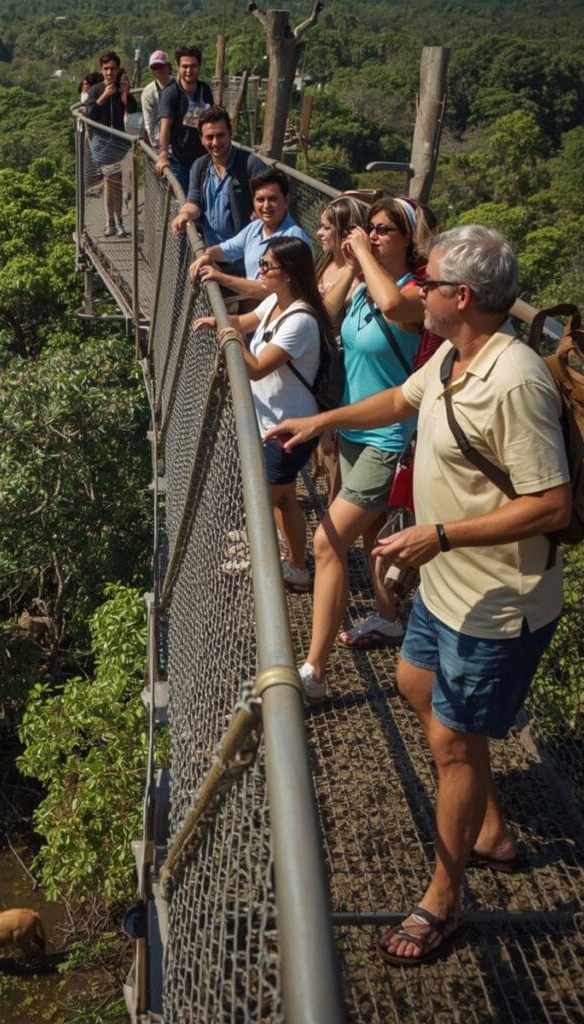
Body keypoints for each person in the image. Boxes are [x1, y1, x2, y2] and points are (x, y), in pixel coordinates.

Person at [265, 224, 571, 967]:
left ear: (459, 297)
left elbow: (553, 504)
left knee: (454, 744)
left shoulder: (516, 378)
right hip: (448, 585)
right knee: (413, 680)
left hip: (496, 597)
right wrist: (322, 420)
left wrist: (437, 537)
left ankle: (445, 898)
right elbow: (399, 401)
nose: (418, 292)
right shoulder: (450, 358)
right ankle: (490, 829)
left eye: (428, 283)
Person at [279, 197, 428, 700]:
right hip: (354, 431)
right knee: (366, 540)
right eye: (372, 228)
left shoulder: (417, 293)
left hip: (389, 439)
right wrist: (353, 264)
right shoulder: (364, 281)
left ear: (410, 239)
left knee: (328, 542)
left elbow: (392, 308)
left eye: (386, 230)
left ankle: (315, 672)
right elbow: (329, 311)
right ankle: (389, 618)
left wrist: (363, 255)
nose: (375, 235)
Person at [193, 237, 334, 589]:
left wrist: (232, 340)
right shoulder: (275, 300)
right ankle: (298, 568)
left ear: (288, 274)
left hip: (289, 427)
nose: (261, 271)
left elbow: (256, 368)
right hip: (269, 421)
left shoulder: (300, 320)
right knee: (284, 499)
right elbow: (248, 320)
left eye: (267, 266)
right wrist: (220, 322)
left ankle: (262, 558)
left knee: (260, 500)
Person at [188, 168, 313, 307]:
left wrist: (220, 278)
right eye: (260, 200)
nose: (266, 206)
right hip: (255, 312)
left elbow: (268, 290)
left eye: (272, 199)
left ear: (286, 201)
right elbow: (226, 249)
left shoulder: (294, 239)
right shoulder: (255, 227)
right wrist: (208, 255)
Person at [313, 194, 368, 500]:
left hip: (341, 373)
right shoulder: (324, 264)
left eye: (326, 228)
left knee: (333, 448)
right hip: (321, 365)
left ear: (344, 232)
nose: (319, 233)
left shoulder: (358, 277)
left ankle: (333, 515)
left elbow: (327, 316)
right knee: (323, 445)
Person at [171, 106, 266, 250]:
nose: (215, 143)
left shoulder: (250, 165)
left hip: (245, 255)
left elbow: (273, 199)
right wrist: (185, 214)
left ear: (230, 134)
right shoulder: (200, 166)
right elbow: (194, 202)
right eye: (209, 137)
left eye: (221, 135)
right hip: (213, 254)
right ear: (201, 139)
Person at [85, 50, 138, 238]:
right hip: (102, 141)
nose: (109, 73)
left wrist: (126, 94)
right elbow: (90, 114)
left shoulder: (122, 87)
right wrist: (103, 98)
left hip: (121, 141)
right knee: (111, 180)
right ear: (101, 69)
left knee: (116, 181)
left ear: (118, 69)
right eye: (106, 69)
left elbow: (133, 112)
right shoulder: (96, 90)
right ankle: (113, 221)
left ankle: (116, 221)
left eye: (113, 68)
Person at [154, 46, 214, 191]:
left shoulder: (204, 90)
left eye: (193, 66)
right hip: (179, 160)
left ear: (199, 66)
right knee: (184, 201)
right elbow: (165, 126)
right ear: (178, 67)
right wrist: (163, 155)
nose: (189, 71)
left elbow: (212, 120)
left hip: (203, 158)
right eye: (185, 66)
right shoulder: (170, 93)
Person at [140, 50, 172, 147]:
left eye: (160, 66)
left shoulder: (179, 86)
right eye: (154, 67)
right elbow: (148, 121)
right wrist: (154, 142)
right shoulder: (148, 92)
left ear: (168, 66)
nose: (158, 70)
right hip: (159, 140)